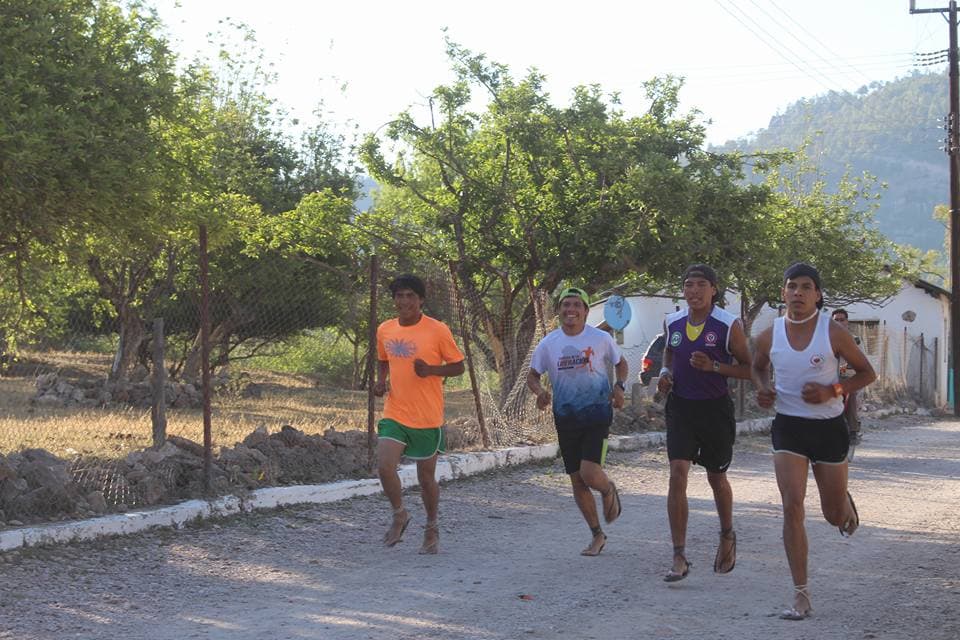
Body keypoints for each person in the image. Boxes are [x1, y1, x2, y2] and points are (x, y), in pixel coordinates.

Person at [751, 263, 876, 620]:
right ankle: (801, 593)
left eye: (806, 287)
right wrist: (762, 390)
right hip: (789, 426)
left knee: (832, 514)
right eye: (792, 286)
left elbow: (867, 373)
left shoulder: (832, 331)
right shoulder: (770, 334)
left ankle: (843, 505)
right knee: (792, 506)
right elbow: (757, 367)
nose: (798, 293)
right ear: (783, 292)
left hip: (828, 427)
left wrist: (832, 390)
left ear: (818, 294)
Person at [656, 264, 752, 582]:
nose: (694, 291)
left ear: (714, 289)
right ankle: (679, 555)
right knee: (677, 474)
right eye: (688, 285)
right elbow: (670, 354)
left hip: (715, 410)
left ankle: (727, 534)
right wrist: (665, 375)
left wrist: (715, 368)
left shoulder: (728, 325)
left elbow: (749, 369)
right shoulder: (673, 323)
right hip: (681, 407)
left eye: (701, 285)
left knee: (716, 478)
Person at [527, 286, 628, 556]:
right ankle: (597, 534)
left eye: (576, 305)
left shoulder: (601, 338)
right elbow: (532, 375)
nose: (570, 310)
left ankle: (608, 489)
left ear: (585, 310)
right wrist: (540, 392)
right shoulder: (549, 344)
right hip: (566, 417)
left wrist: (619, 387)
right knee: (577, 481)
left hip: (596, 414)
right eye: (565, 305)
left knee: (588, 472)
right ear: (559, 311)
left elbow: (621, 363)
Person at [374, 274, 465, 554]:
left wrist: (432, 371)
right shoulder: (385, 329)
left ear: (421, 299)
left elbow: (458, 366)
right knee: (384, 465)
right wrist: (381, 381)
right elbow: (382, 358)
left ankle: (431, 526)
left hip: (427, 416)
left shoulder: (437, 330)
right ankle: (400, 513)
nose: (404, 301)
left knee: (426, 479)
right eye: (399, 296)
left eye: (410, 296)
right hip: (395, 410)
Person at [830, 308, 862, 447]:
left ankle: (853, 430)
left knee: (851, 395)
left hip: (844, 376)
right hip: (827, 377)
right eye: (836, 320)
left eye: (841, 320)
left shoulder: (852, 339)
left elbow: (854, 362)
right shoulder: (825, 338)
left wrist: (847, 373)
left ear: (847, 322)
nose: (839, 322)